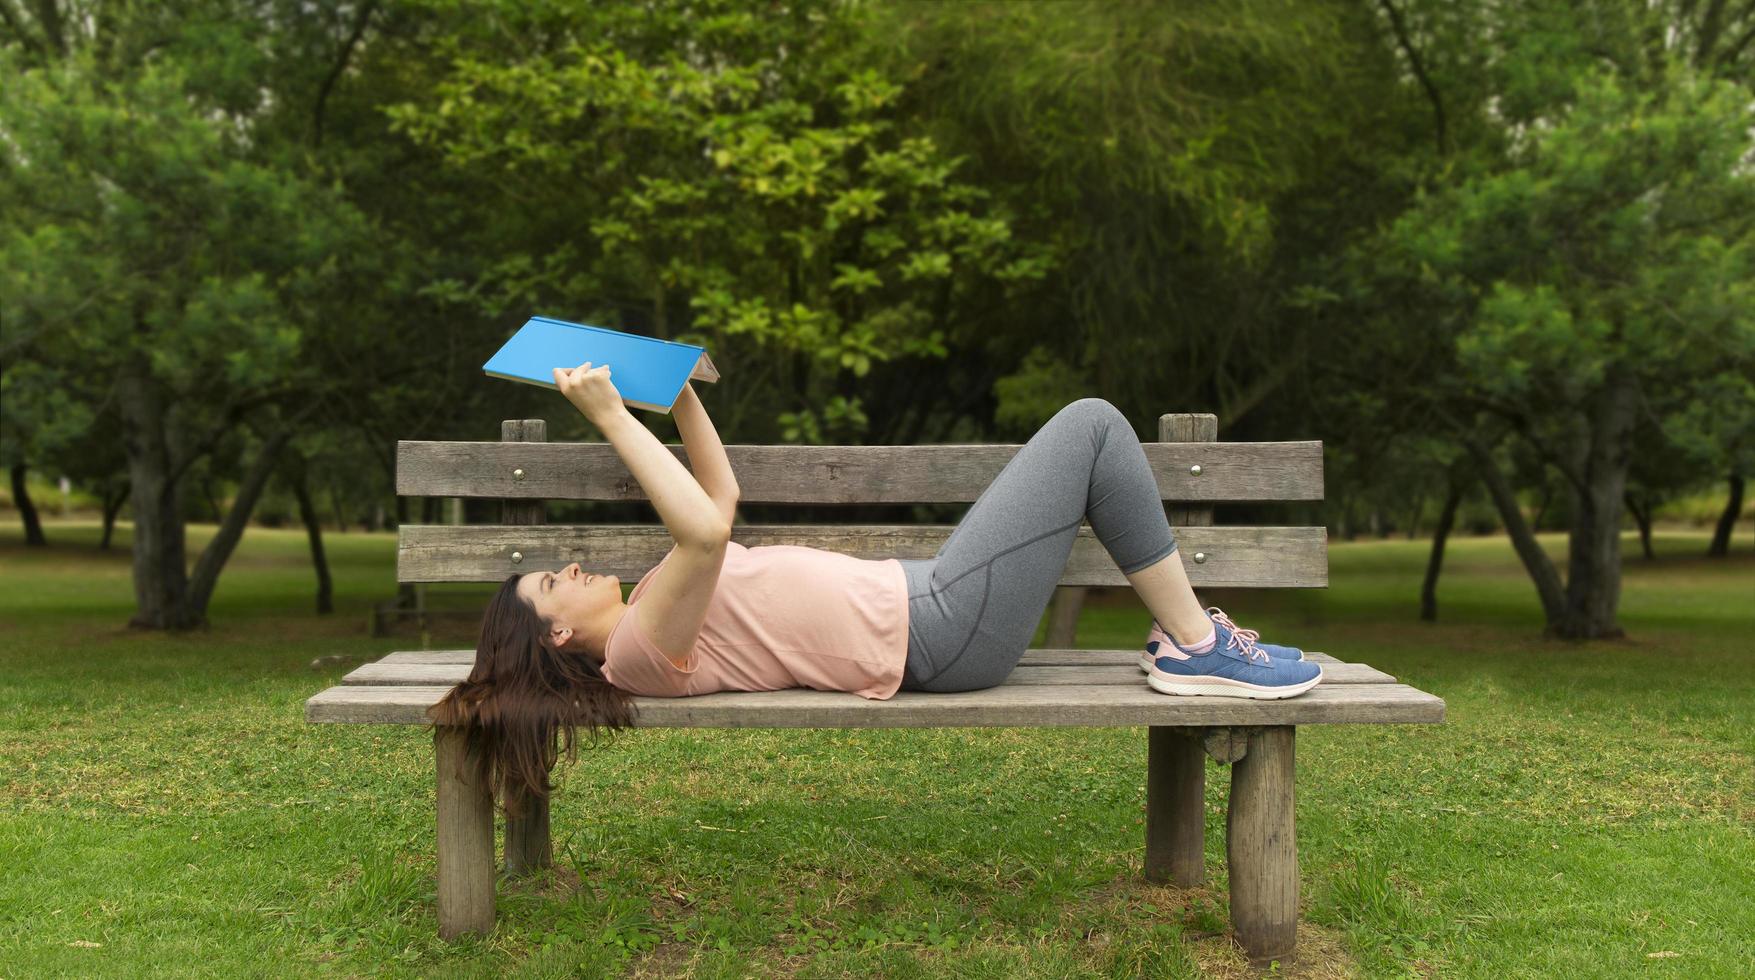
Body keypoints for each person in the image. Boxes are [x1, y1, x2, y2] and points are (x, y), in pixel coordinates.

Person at [432, 360, 1321, 809]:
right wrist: (609, 417)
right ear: (554, 636)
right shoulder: (632, 651)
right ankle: (1197, 647)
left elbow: (720, 499)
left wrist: (678, 391)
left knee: (1089, 431)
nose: (576, 567)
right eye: (556, 581)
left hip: (935, 598)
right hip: (940, 629)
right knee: (1090, 427)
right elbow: (702, 530)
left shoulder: (655, 609)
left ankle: (1189, 641)